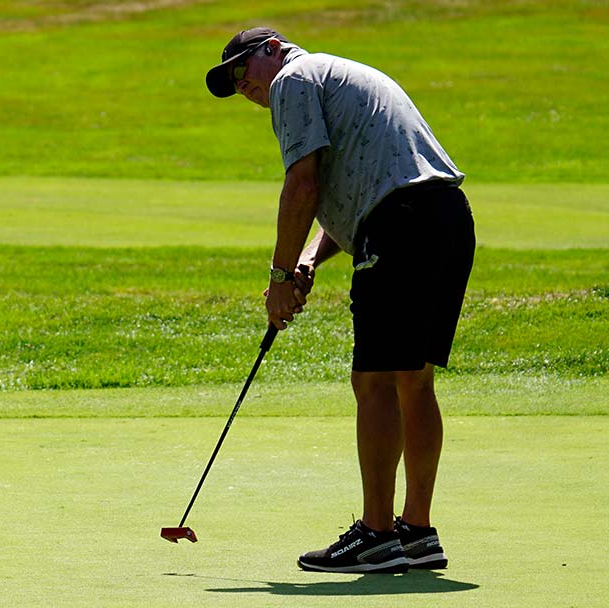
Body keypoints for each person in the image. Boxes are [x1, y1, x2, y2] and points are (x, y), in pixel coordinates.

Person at [206, 27, 476, 574]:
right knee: (412, 378)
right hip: (445, 218)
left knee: (374, 380)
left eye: (242, 71)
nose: (243, 88)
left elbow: (302, 185)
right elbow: (356, 190)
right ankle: (416, 531)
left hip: (399, 225)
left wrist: (280, 276)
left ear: (273, 50)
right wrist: (307, 259)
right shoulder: (335, 76)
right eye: (233, 84)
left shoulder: (293, 80)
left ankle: (377, 534)